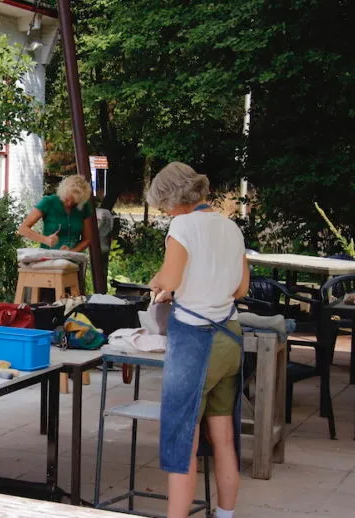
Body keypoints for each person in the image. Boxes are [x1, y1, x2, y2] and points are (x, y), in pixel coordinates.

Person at [146, 162, 249, 518]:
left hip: (195, 339)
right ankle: (225, 515)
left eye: (163, 206)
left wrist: (159, 283)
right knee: (224, 438)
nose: (164, 213)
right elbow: (241, 288)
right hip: (230, 336)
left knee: (182, 442)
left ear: (172, 199)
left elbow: (171, 280)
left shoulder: (183, 225)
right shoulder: (230, 226)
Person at [18, 174, 93, 252]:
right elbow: (23, 229)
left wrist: (71, 252)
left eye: (74, 202)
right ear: (63, 192)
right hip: (48, 256)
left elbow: (87, 239)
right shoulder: (48, 202)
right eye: (67, 199)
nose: (69, 204)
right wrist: (45, 240)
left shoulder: (84, 206)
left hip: (72, 258)